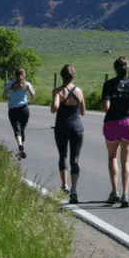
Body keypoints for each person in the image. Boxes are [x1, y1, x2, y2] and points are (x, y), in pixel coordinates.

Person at [102, 56, 129, 208]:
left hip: (112, 122)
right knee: (125, 161)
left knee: (112, 157)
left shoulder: (108, 84)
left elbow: (106, 106)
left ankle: (114, 191)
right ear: (127, 69)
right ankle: (126, 193)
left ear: (115, 69)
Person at [51, 64, 86, 204]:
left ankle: (64, 184)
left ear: (61, 75)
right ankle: (74, 189)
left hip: (61, 127)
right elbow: (83, 112)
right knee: (75, 159)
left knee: (63, 156)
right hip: (77, 128)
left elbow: (54, 108)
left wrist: (58, 100)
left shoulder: (57, 91)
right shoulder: (79, 91)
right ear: (73, 76)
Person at [3, 68, 36, 160]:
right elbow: (33, 94)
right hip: (24, 109)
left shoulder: (10, 83)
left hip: (13, 109)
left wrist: (10, 96)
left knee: (16, 129)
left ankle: (20, 145)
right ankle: (21, 149)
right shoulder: (27, 84)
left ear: (15, 75)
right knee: (22, 129)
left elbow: (4, 96)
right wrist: (30, 101)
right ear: (24, 75)